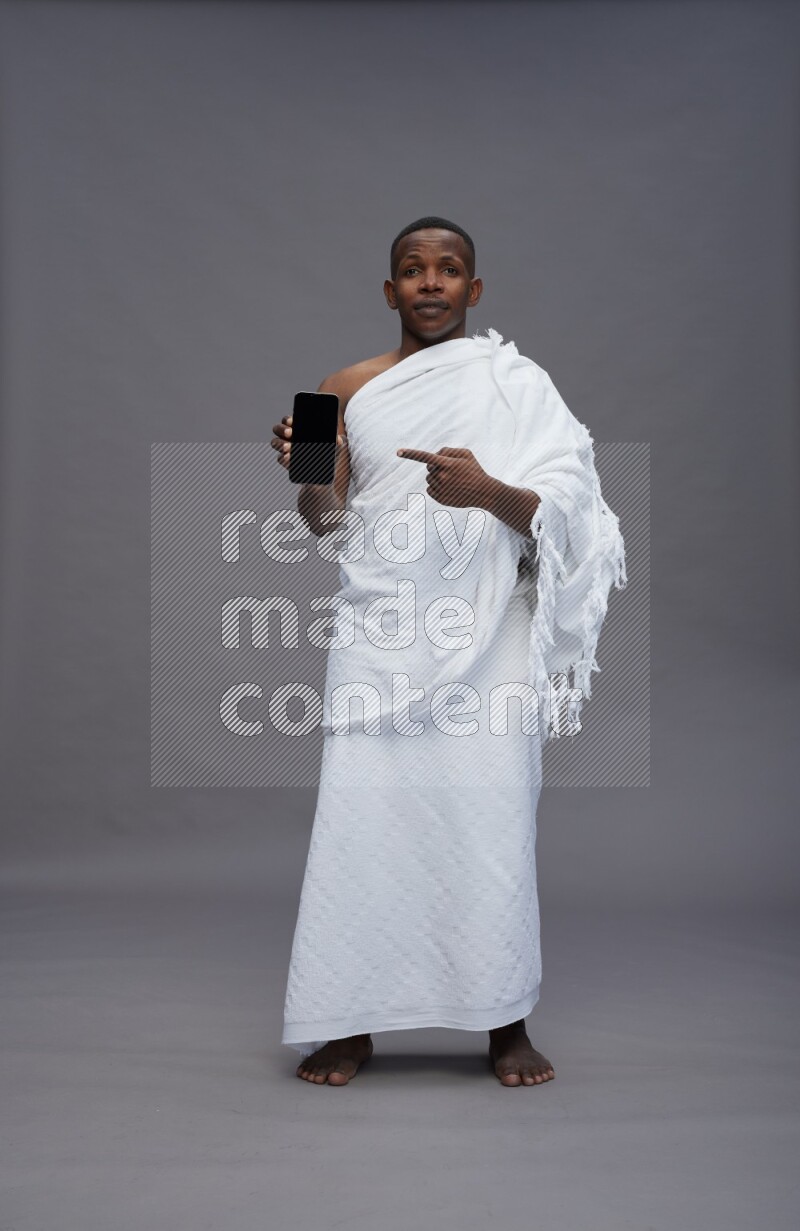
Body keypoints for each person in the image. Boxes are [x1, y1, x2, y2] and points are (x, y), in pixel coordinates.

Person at [271, 216, 626, 1087]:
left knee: (491, 819)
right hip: (382, 629)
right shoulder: (337, 389)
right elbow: (322, 523)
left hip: (490, 636)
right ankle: (349, 1025)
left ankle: (505, 1023)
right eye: (412, 270)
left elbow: (572, 506)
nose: (431, 282)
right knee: (363, 822)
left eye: (450, 269)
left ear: (475, 290)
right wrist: (309, 467)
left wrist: (486, 491)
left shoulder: (516, 384)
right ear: (390, 291)